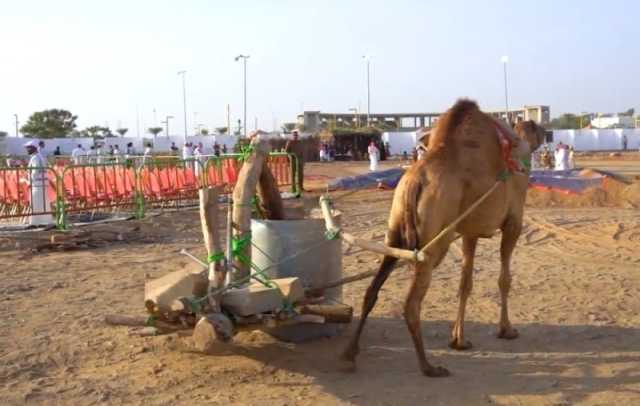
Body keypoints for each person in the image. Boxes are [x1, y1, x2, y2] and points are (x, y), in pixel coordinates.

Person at [23, 141, 53, 225]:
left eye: (29, 148)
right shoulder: (38, 156)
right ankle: (40, 222)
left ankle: (38, 222)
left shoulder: (35, 157)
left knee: (37, 204)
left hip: (37, 184)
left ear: (34, 148)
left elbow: (35, 172)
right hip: (40, 184)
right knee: (41, 204)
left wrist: (29, 181)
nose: (27, 150)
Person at [284, 130, 305, 194]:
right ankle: (294, 188)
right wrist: (290, 158)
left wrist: (303, 160)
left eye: (296, 135)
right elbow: (286, 151)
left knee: (300, 174)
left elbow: (302, 151)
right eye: (294, 135)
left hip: (300, 160)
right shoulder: (289, 142)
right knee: (293, 174)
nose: (295, 136)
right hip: (293, 160)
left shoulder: (300, 142)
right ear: (292, 136)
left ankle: (300, 187)